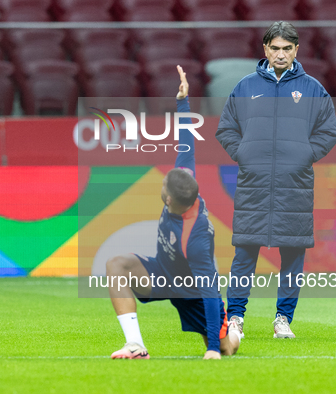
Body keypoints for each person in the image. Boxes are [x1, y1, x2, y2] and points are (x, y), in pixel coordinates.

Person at [107, 66, 242, 360]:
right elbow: (186, 143)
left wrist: (210, 350)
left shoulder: (196, 238)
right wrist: (183, 102)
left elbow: (209, 291)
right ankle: (135, 345)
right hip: (163, 272)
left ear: (168, 200)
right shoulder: (185, 180)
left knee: (226, 348)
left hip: (193, 290)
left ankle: (232, 330)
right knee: (117, 264)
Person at [215, 21, 336, 339]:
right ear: (265, 50)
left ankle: (283, 319)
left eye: (287, 48)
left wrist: (303, 156)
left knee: (293, 255)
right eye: (275, 48)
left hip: (294, 185)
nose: (281, 54)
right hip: (252, 185)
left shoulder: (313, 89)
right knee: (244, 254)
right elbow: (225, 128)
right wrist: (244, 154)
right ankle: (237, 319)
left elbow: (329, 132)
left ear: (296, 50)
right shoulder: (245, 87)